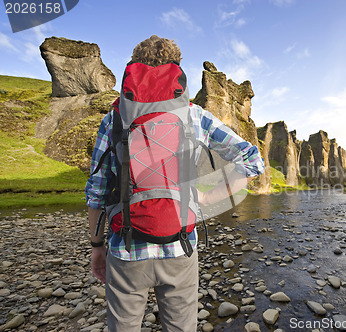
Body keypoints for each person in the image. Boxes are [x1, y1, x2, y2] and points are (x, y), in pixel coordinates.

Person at [85, 35, 265, 332]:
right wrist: (208, 198)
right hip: (180, 245)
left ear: (134, 69)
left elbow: (97, 193)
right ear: (176, 69)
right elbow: (252, 160)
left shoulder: (114, 117)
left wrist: (96, 247)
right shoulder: (194, 116)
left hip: (125, 249)